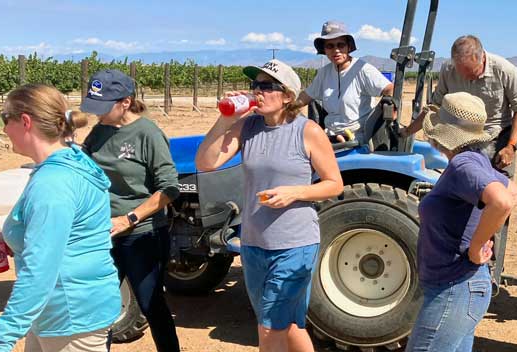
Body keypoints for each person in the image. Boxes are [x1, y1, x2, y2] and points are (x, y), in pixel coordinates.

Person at [195, 59, 344, 352]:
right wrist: (224, 121)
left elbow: (334, 184)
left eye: (266, 86)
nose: (257, 92)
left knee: (269, 328)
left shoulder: (308, 131)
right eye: (255, 85)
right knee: (287, 325)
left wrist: (295, 192)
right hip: (253, 245)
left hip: (294, 244)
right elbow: (206, 163)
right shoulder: (246, 126)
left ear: (287, 95)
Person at [0, 84, 120, 352]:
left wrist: (0, 340)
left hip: (70, 316)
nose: (4, 129)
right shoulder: (72, 160)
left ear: (25, 121)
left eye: (6, 119)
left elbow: (41, 271)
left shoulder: (52, 183)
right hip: (64, 312)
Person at [405, 92, 516, 352]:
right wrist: (483, 233)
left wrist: (478, 244)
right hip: (462, 286)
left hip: (454, 288)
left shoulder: (463, 164)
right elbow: (514, 190)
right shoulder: (475, 160)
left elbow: (502, 201)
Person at [80, 69, 182, 352]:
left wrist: (130, 218)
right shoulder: (98, 132)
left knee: (151, 304)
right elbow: (84, 169)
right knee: (98, 306)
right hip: (102, 233)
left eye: (103, 107)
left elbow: (169, 189)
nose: (96, 114)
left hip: (141, 234)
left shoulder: (147, 134)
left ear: (126, 102)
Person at [403, 35, 517, 178]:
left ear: (482, 58)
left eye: (472, 72)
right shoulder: (448, 70)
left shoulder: (505, 71)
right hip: (460, 141)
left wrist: (510, 146)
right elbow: (434, 106)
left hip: (496, 140)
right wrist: (407, 132)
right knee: (462, 189)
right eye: (462, 74)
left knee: (498, 192)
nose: (468, 78)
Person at [298, 20, 393, 142]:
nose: (336, 50)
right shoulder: (324, 73)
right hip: (330, 136)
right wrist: (286, 108)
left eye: (340, 45)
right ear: (324, 50)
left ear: (348, 47)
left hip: (357, 138)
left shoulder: (362, 69)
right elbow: (305, 97)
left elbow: (389, 89)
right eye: (330, 46)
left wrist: (387, 108)